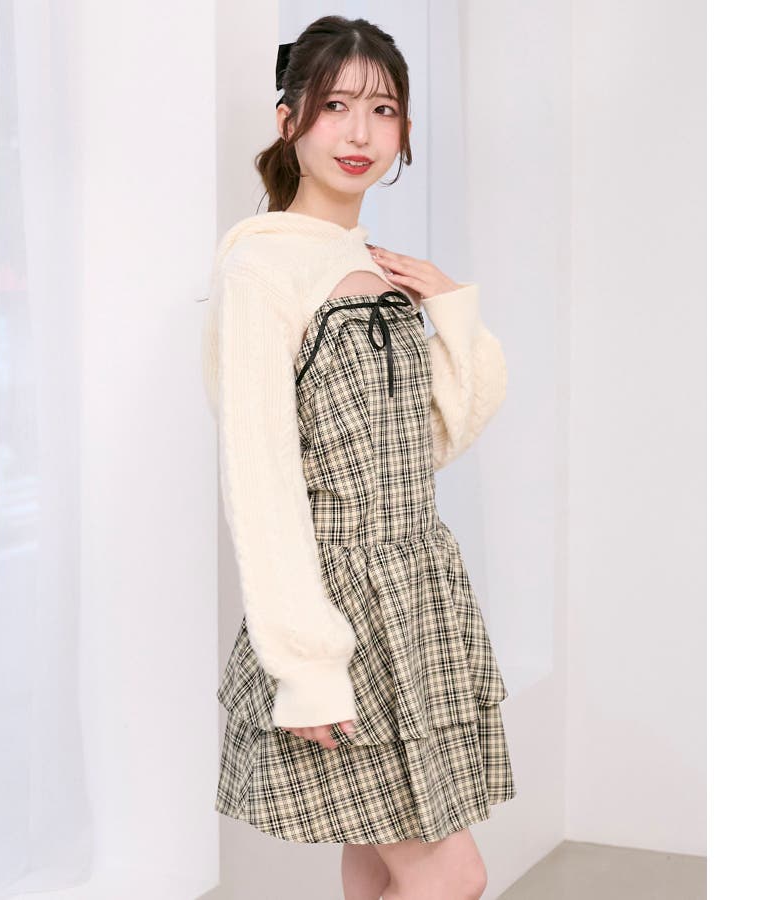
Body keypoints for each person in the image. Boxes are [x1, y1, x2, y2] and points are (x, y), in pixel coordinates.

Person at [200, 14, 516, 900]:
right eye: (335, 104)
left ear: (404, 131)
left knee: (378, 860)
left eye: (382, 109)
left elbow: (431, 441)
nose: (359, 132)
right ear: (288, 118)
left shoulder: (368, 261)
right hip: (340, 608)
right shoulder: (261, 272)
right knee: (452, 874)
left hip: (416, 591)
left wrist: (450, 307)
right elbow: (261, 481)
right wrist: (306, 664)